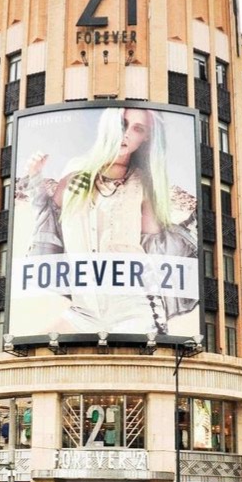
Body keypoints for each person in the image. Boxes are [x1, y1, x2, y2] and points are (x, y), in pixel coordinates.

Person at [24, 106, 198, 335]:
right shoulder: (76, 170)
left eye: (137, 129)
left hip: (133, 305)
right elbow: (49, 217)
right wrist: (35, 176)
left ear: (145, 138)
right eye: (122, 124)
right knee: (36, 348)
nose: (126, 134)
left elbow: (154, 244)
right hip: (84, 308)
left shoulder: (144, 182)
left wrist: (193, 227)